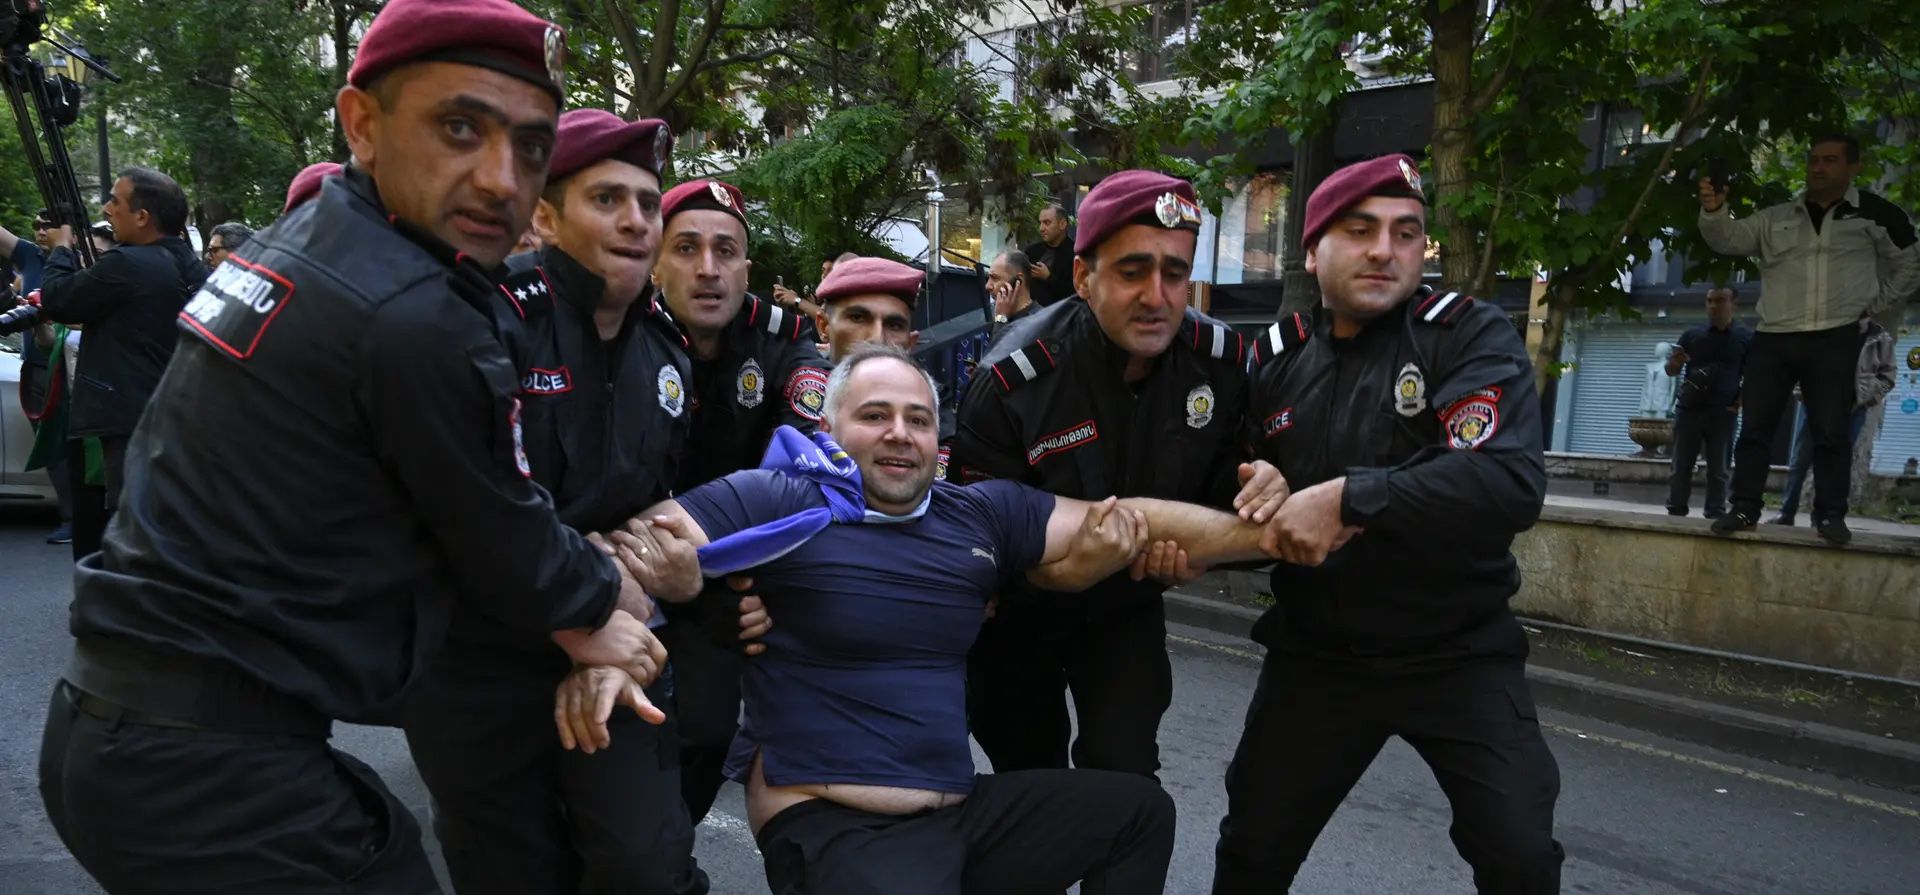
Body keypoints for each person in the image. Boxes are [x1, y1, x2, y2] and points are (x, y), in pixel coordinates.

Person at [37, 2, 669, 891]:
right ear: (362, 123)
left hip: (132, 735)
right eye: (460, 127)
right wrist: (612, 599)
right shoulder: (409, 310)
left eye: (531, 147)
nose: (500, 179)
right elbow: (506, 540)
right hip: (207, 771)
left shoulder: (315, 238)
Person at [571, 343, 1290, 895]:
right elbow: (623, 554)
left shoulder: (976, 513)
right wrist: (598, 646)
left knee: (1136, 811)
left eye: (918, 419)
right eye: (875, 415)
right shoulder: (777, 498)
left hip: (957, 817)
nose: (900, 434)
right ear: (830, 426)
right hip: (833, 826)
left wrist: (1269, 535)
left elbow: (1125, 518)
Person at [1216, 154, 1561, 894]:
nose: (1385, 249)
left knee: (1521, 854)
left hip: (1456, 650)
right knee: (1253, 848)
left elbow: (1506, 480)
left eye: (1407, 234)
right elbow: (1228, 488)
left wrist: (1348, 497)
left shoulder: (1466, 336)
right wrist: (1252, 486)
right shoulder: (1273, 361)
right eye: (1360, 229)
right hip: (1319, 653)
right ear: (1312, 250)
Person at [401, 108, 723, 895]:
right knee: (511, 873)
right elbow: (455, 514)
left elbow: (650, 511)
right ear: (545, 216)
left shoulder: (665, 350)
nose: (636, 222)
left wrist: (658, 585)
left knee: (646, 867)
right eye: (607, 199)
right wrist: (579, 623)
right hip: (479, 661)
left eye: (648, 204)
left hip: (615, 640)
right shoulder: (490, 320)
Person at [950, 169, 1278, 780]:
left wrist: (1252, 497)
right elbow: (974, 542)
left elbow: (1226, 495)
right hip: (1023, 618)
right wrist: (1058, 574)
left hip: (1126, 610)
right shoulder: (1011, 381)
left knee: (1124, 773)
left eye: (1175, 274)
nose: (1157, 296)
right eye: (1132, 272)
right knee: (1031, 783)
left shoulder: (1222, 364)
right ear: (1083, 277)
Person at [650, 176, 830, 824]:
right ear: (654, 259)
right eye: (687, 248)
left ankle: (664, 855)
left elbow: (808, 461)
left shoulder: (781, 339)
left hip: (727, 569)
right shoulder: (623, 334)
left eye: (726, 251)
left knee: (703, 731)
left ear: (747, 267)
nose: (708, 269)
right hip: (624, 556)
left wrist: (739, 580)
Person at [1699, 133, 1920, 545]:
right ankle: (1744, 508)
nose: (1819, 167)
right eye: (1814, 159)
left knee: (1832, 431)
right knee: (1755, 430)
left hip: (1836, 337)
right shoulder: (1776, 216)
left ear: (1853, 167)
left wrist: (1877, 304)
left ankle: (1830, 516)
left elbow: (1910, 259)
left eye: (1830, 160)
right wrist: (1714, 210)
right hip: (1774, 336)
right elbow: (1726, 239)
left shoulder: (1875, 214)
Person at [38, 167, 208, 558]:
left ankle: (120, 608)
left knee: (125, 526)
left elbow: (58, 299)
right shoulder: (193, 267)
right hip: (181, 414)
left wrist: (62, 248)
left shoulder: (127, 264)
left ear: (143, 217)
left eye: (115, 200)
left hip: (124, 418)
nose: (107, 208)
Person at [1773, 318, 1898, 526]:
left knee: (1837, 464)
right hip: (1814, 405)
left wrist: (1871, 398)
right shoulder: (1825, 328)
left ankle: (1824, 515)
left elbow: (1889, 377)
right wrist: (1802, 392)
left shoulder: (1879, 338)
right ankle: (1787, 512)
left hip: (1853, 409)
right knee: (1799, 461)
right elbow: (1802, 363)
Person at [1, 209, 73, 544]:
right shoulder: (30, 255)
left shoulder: (79, 262)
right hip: (34, 364)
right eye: (37, 225)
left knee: (67, 445)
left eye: (49, 225)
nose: (41, 231)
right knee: (51, 444)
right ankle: (71, 516)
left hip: (66, 366)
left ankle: (79, 518)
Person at [1665, 285, 1752, 518]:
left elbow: (1753, 374)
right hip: (1689, 409)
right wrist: (1676, 362)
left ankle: (1715, 513)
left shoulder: (1745, 337)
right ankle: (1676, 510)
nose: (1713, 306)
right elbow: (1671, 371)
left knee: (1719, 469)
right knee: (1681, 466)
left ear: (1733, 304)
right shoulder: (1692, 335)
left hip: (1722, 412)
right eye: (1709, 301)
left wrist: (1740, 401)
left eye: (1720, 301)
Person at [1023, 202, 1076, 306]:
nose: (1041, 229)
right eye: (1040, 223)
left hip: (1060, 316)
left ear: (1062, 224)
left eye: (1047, 223)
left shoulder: (1075, 254)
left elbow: (1076, 293)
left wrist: (1048, 278)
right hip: (1028, 316)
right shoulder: (1032, 251)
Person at [985, 248, 1036, 343]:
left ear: (1018, 281)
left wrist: (1001, 319)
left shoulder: (1037, 323)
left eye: (995, 278)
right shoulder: (1000, 313)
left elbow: (996, 355)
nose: (987, 286)